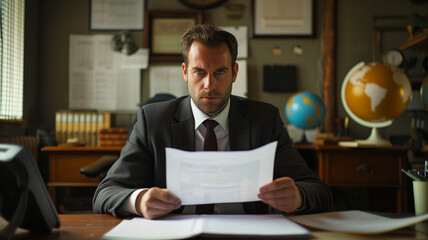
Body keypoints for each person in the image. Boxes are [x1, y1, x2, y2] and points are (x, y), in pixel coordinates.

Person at [93, 24, 332, 219]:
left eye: (220, 72)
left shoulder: (264, 119)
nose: (209, 85)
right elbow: (105, 193)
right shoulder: (153, 121)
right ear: (185, 72)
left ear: (234, 72)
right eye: (199, 72)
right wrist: (140, 200)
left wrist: (298, 196)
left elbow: (319, 191)